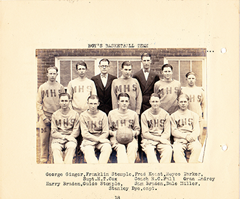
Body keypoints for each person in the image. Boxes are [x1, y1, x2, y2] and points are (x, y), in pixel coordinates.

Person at [36, 66, 65, 163]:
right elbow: (38, 103)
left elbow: (63, 103)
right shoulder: (43, 87)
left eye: (54, 73)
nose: (52, 75)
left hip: (56, 118)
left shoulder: (60, 87)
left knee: (55, 141)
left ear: (57, 74)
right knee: (44, 140)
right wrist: (43, 117)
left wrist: (59, 117)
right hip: (45, 118)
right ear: (47, 74)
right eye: (50, 73)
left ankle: (53, 161)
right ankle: (43, 159)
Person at [108, 93, 140, 163]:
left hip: (130, 138)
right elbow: (108, 130)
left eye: (126, 101)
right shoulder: (112, 113)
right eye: (122, 101)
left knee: (132, 147)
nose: (124, 103)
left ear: (129, 102)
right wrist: (114, 133)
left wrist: (132, 133)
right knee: (121, 148)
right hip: (116, 138)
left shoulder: (133, 114)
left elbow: (137, 130)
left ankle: (129, 169)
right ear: (118, 102)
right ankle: (124, 169)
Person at [80, 95, 112, 164]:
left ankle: (100, 168)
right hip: (88, 140)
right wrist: (96, 140)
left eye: (95, 103)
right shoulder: (83, 115)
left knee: (107, 147)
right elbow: (84, 133)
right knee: (88, 150)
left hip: (101, 140)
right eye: (91, 103)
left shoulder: (103, 115)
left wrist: (98, 140)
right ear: (87, 103)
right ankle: (95, 169)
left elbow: (105, 132)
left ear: (98, 104)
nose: (93, 106)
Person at [141, 93, 172, 163]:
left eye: (157, 101)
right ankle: (155, 171)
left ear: (160, 102)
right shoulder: (144, 115)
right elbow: (145, 133)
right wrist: (158, 139)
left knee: (168, 149)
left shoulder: (166, 114)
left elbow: (167, 132)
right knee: (149, 150)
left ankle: (163, 170)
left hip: (162, 138)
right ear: (150, 102)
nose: (155, 104)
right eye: (153, 102)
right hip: (149, 140)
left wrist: (160, 139)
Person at [170, 94, 202, 163]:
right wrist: (185, 137)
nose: (183, 104)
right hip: (179, 140)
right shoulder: (173, 116)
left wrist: (191, 137)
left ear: (188, 102)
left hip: (192, 139)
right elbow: (174, 131)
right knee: (177, 149)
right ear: (178, 103)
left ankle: (192, 168)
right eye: (181, 102)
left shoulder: (194, 115)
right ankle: (183, 168)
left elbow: (196, 130)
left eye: (185, 101)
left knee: (197, 147)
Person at [51, 93, 80, 164]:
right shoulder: (55, 115)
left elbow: (76, 131)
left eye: (66, 101)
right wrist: (64, 137)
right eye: (62, 101)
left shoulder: (75, 114)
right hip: (58, 139)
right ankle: (59, 168)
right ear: (59, 102)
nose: (64, 103)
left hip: (71, 138)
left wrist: (69, 137)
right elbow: (53, 132)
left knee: (71, 147)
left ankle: (67, 167)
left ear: (69, 101)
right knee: (55, 148)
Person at [182, 72, 206, 143]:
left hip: (198, 117)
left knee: (199, 137)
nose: (191, 80)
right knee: (189, 137)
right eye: (189, 78)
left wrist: (202, 114)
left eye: (193, 78)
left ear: (195, 79)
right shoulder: (183, 91)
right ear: (186, 79)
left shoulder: (200, 91)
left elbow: (203, 104)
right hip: (188, 117)